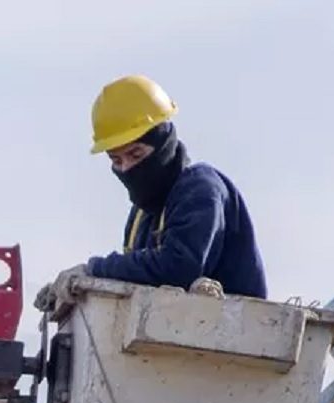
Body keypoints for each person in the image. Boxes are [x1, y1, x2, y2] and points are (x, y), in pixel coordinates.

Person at [65, 75, 268, 300]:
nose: (127, 168)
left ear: (163, 144)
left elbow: (178, 267)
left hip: (233, 331)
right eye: (117, 161)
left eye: (136, 154)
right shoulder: (142, 215)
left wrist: (94, 269)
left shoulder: (200, 189)